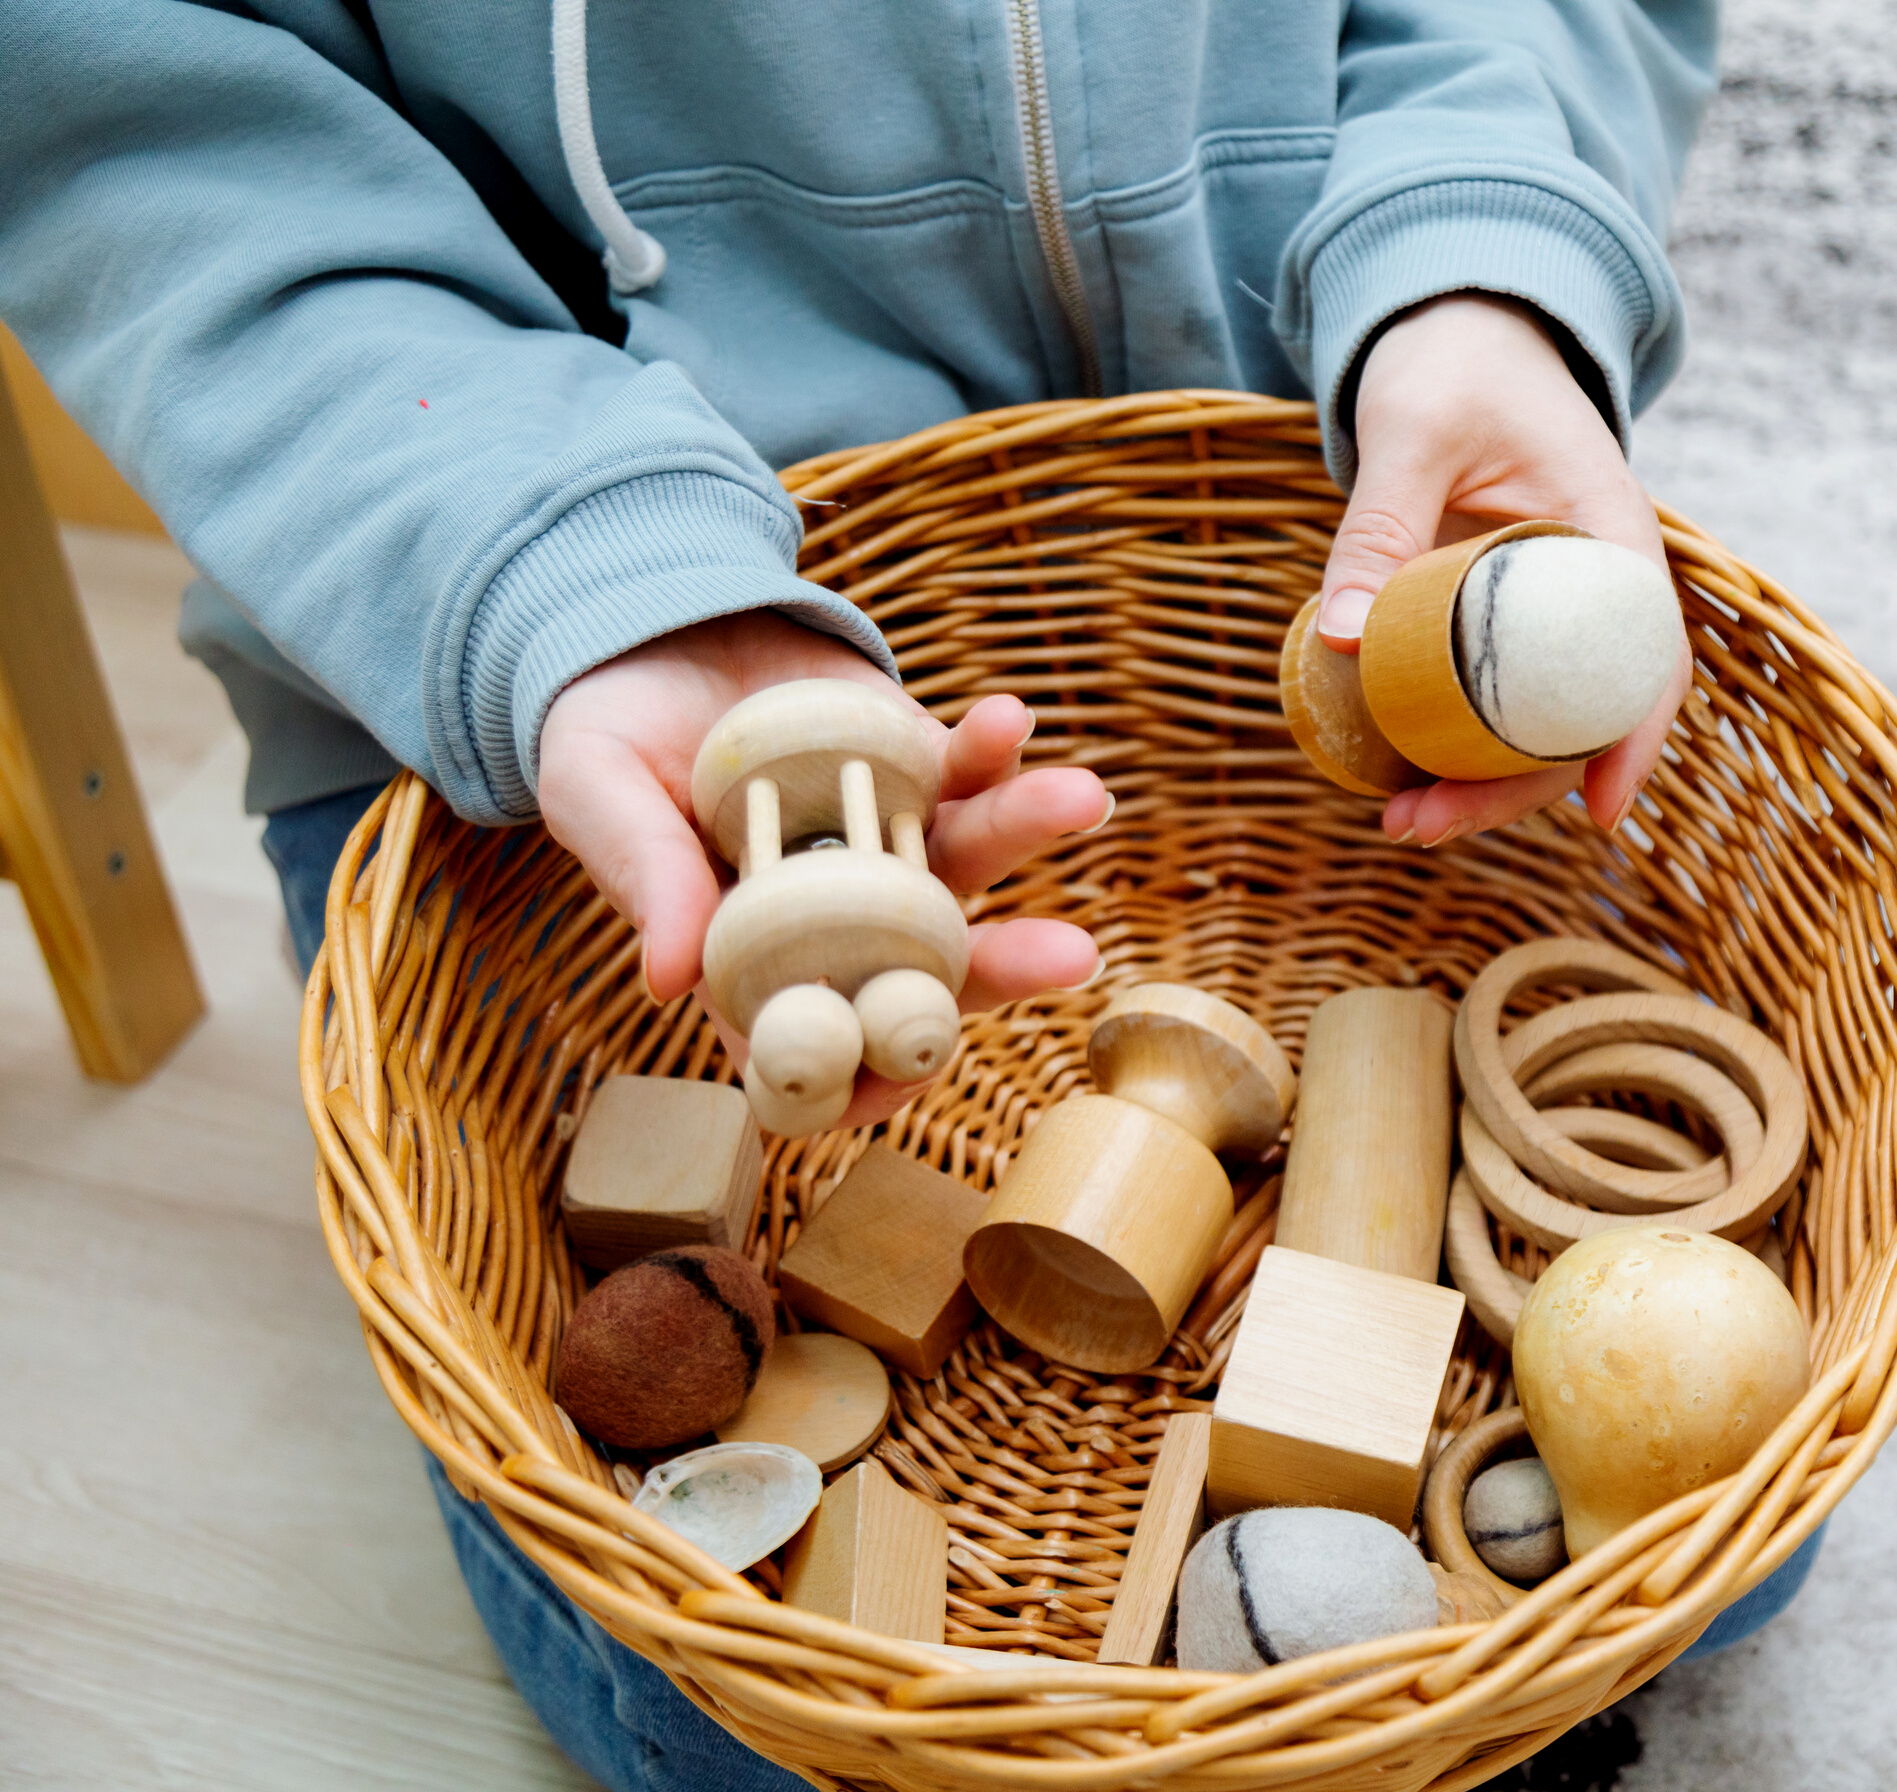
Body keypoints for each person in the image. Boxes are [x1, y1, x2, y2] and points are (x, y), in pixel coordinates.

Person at [3, 4, 1740, 1783]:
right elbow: (141, 124)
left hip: (1286, 485)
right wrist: (564, 560)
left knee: (1721, 1537)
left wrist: (1480, 254)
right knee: (722, 1727)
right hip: (498, 615)